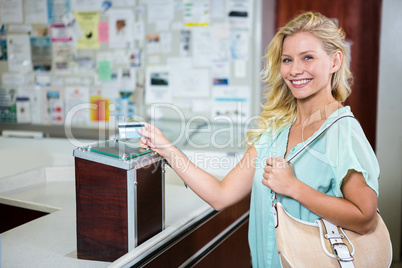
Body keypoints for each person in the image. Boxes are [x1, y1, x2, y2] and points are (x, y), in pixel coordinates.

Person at [138, 12, 379, 267]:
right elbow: (221, 195)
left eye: (308, 57)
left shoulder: (343, 131)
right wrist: (167, 149)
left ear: (334, 61)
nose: (295, 70)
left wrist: (294, 187)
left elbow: (365, 217)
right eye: (287, 60)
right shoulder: (275, 130)